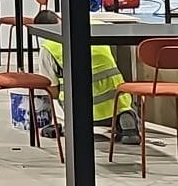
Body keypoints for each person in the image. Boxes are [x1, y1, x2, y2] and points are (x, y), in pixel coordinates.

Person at [34, 9, 141, 144]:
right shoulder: (95, 25)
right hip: (116, 103)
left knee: (60, 88)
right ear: (60, 20)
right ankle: (126, 120)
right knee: (117, 92)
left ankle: (71, 127)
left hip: (80, 109)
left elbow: (52, 91)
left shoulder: (48, 47)